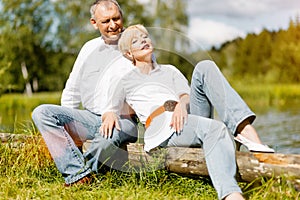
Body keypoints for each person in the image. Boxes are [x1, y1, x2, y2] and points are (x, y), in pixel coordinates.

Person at [101, 24, 274, 199]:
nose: (143, 41)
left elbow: (185, 95)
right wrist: (109, 115)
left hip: (185, 117)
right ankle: (231, 194)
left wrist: (181, 105)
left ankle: (244, 130)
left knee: (205, 66)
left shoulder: (170, 70)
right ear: (129, 54)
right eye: (135, 41)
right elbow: (110, 108)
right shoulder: (125, 80)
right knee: (216, 129)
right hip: (163, 128)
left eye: (144, 37)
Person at [31, 0, 138, 186]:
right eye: (106, 21)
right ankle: (78, 175)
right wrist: (69, 126)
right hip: (90, 117)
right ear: (94, 23)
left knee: (107, 137)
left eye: (116, 18)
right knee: (41, 113)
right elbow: (72, 89)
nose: (113, 25)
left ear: (122, 17)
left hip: (123, 119)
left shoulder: (137, 46)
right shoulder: (88, 48)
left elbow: (147, 91)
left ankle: (79, 177)